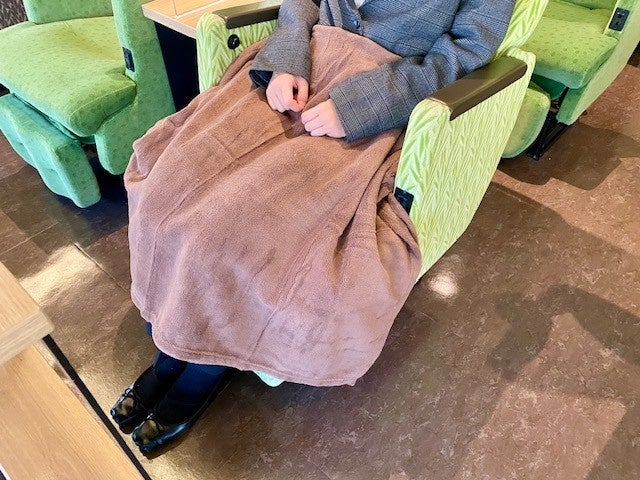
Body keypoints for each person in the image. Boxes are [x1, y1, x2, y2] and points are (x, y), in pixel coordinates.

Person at [111, 0, 515, 454]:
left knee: (229, 232)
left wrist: (364, 104)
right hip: (299, 70)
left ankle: (198, 372)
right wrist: (287, 57)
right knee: (167, 189)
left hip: (380, 93)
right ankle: (171, 347)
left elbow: (466, 51)